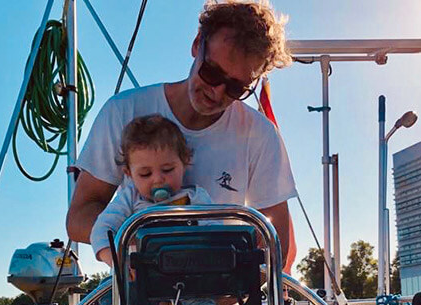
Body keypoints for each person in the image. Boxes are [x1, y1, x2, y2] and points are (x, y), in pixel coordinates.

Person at [67, 0, 297, 269]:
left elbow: (276, 241)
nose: (218, 92)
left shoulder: (260, 135)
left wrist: (221, 290)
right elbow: (79, 217)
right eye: (212, 72)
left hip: (223, 302)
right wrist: (149, 245)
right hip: (140, 298)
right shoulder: (123, 111)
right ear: (197, 44)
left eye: (236, 87)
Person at [90, 113, 216, 305]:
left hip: (188, 277)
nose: (158, 180)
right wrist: (119, 262)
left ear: (185, 162)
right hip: (142, 277)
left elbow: (215, 234)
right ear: (129, 174)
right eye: (145, 174)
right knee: (104, 290)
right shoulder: (130, 198)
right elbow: (102, 230)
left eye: (167, 169)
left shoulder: (195, 198)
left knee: (203, 296)